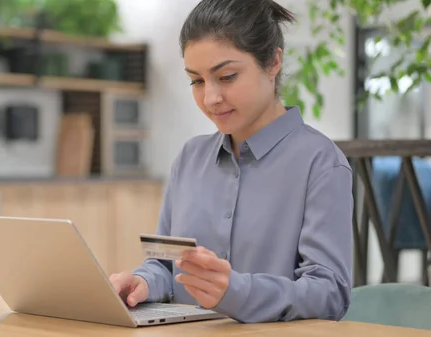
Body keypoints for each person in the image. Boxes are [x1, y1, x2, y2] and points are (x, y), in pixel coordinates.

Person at [109, 0, 353, 324]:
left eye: (226, 76)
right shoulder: (189, 159)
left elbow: (329, 294)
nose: (210, 98)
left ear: (273, 62)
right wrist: (143, 282)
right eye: (196, 81)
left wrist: (238, 292)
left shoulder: (320, 163)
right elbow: (166, 267)